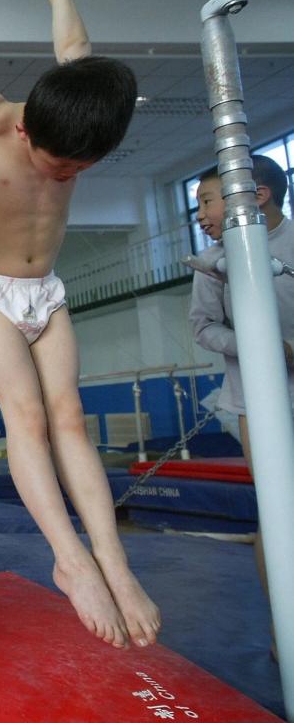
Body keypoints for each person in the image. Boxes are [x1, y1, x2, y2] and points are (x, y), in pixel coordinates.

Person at [0, 0, 159, 649]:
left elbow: (76, 55)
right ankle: (70, 557)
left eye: (79, 173)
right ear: (29, 134)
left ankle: (114, 560)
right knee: (26, 416)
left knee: (70, 416)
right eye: (60, 166)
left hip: (47, 291)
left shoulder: (76, 118)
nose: (66, 179)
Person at [188, 155, 293, 649]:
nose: (201, 215)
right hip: (256, 404)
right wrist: (264, 344)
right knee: (276, 513)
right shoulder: (212, 264)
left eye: (207, 200)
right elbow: (204, 328)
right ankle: (284, 628)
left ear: (257, 195)